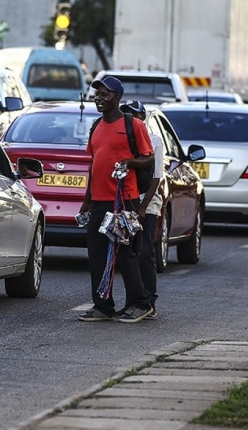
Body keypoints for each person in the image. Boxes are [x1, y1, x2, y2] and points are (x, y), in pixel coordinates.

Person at [78, 76, 155, 323]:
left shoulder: (134, 125)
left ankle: (140, 304)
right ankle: (103, 306)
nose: (99, 98)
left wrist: (129, 162)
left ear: (117, 98)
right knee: (97, 253)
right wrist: (87, 200)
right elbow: (94, 165)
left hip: (125, 200)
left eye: (105, 94)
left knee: (125, 254)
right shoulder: (96, 126)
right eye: (97, 93)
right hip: (99, 200)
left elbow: (149, 158)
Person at [119, 99, 164, 320]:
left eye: (134, 115)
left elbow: (156, 177)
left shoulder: (154, 141)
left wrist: (143, 207)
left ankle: (149, 301)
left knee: (145, 252)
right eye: (126, 115)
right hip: (127, 202)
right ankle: (133, 301)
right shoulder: (123, 140)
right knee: (128, 254)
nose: (130, 119)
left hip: (147, 203)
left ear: (142, 117)